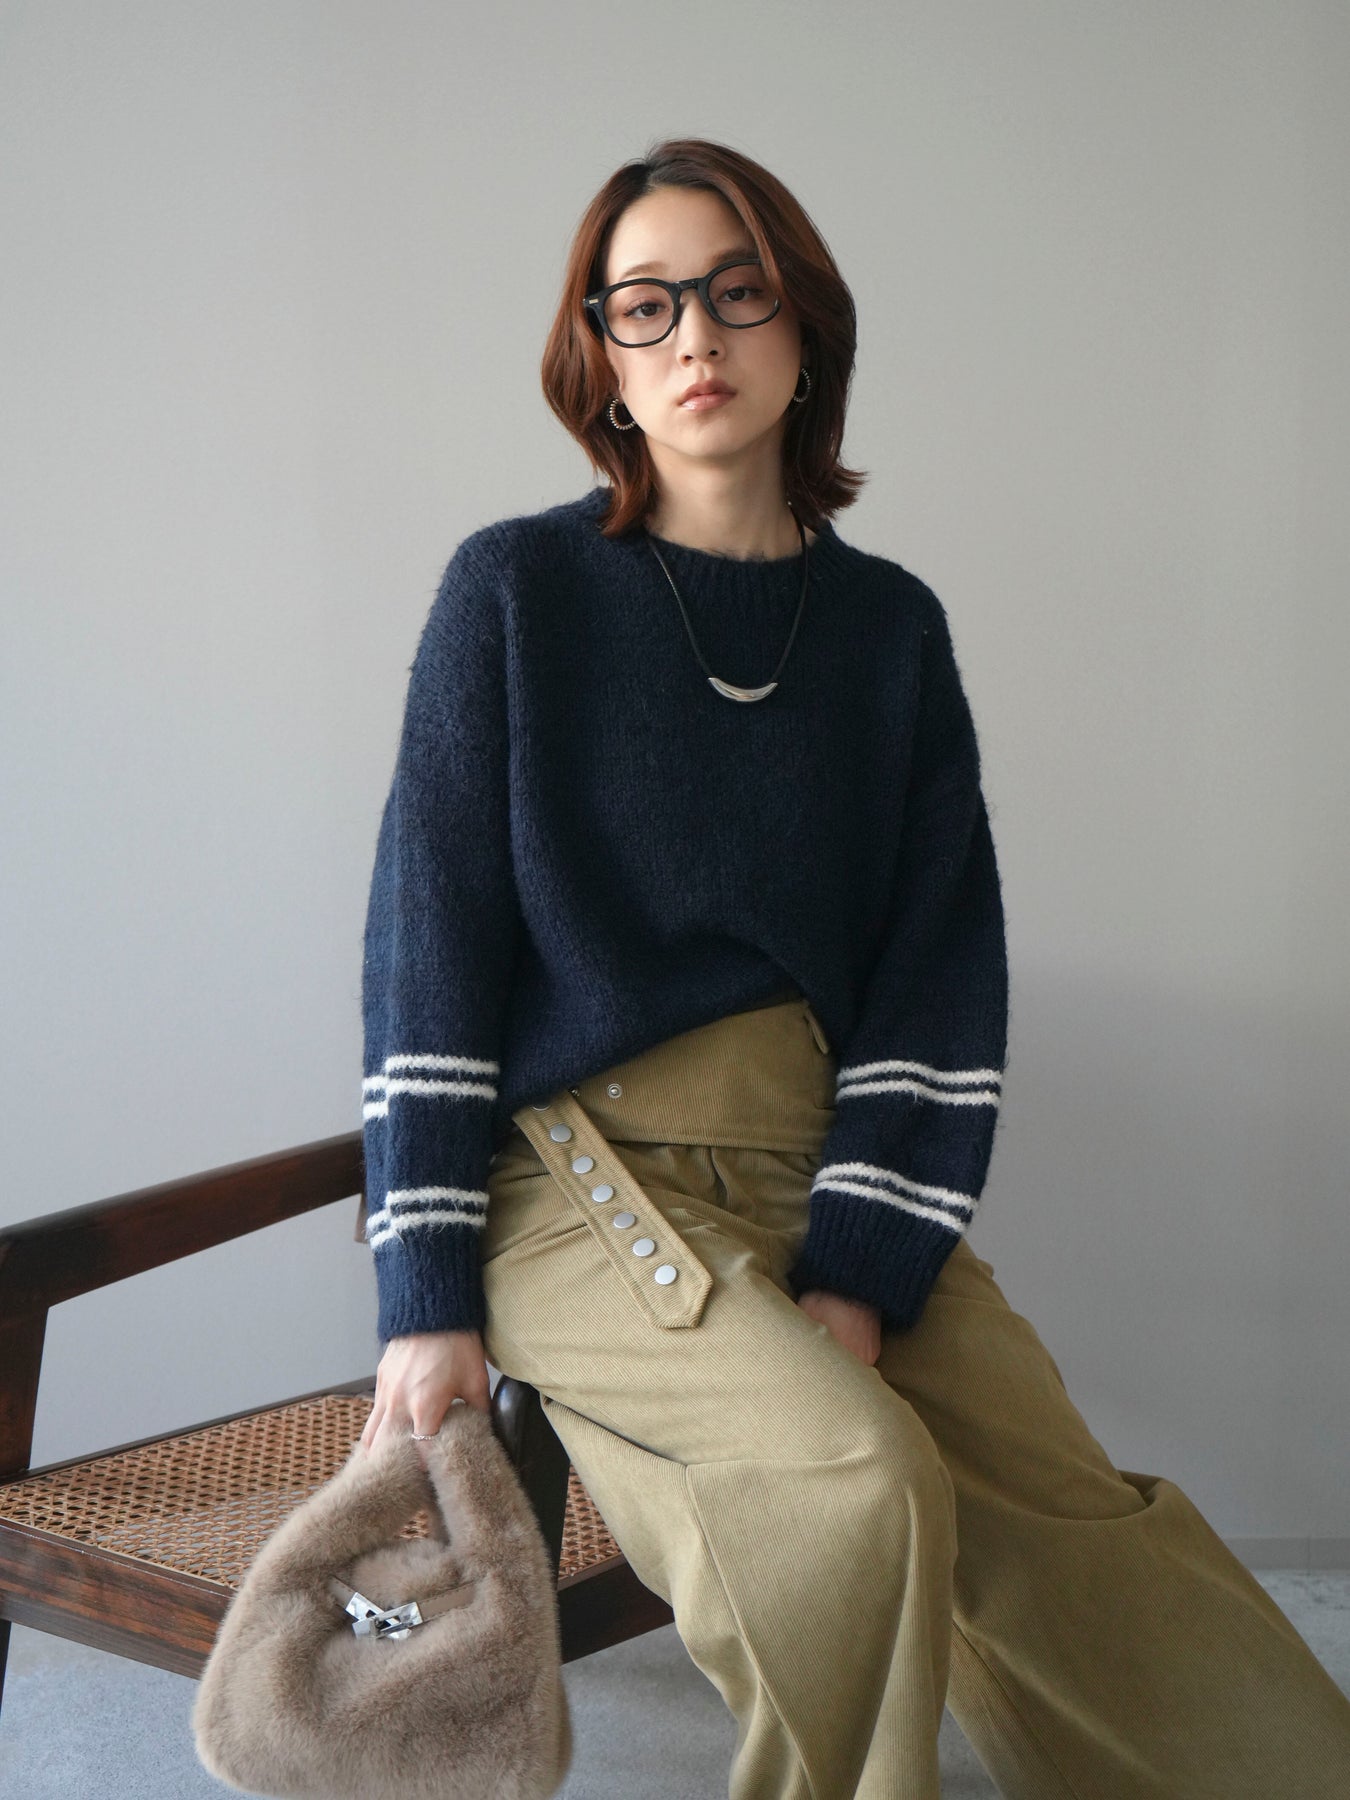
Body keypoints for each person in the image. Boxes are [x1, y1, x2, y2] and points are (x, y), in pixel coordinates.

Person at [355, 138, 1350, 1799]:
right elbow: (427, 955)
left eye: (734, 293)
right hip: (577, 1187)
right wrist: (426, 1297)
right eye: (643, 304)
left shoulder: (889, 630)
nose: (693, 336)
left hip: (816, 1163)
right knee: (848, 1475)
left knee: (1063, 1509)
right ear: (599, 358)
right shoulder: (514, 595)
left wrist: (863, 1267)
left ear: (804, 331)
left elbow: (935, 978)